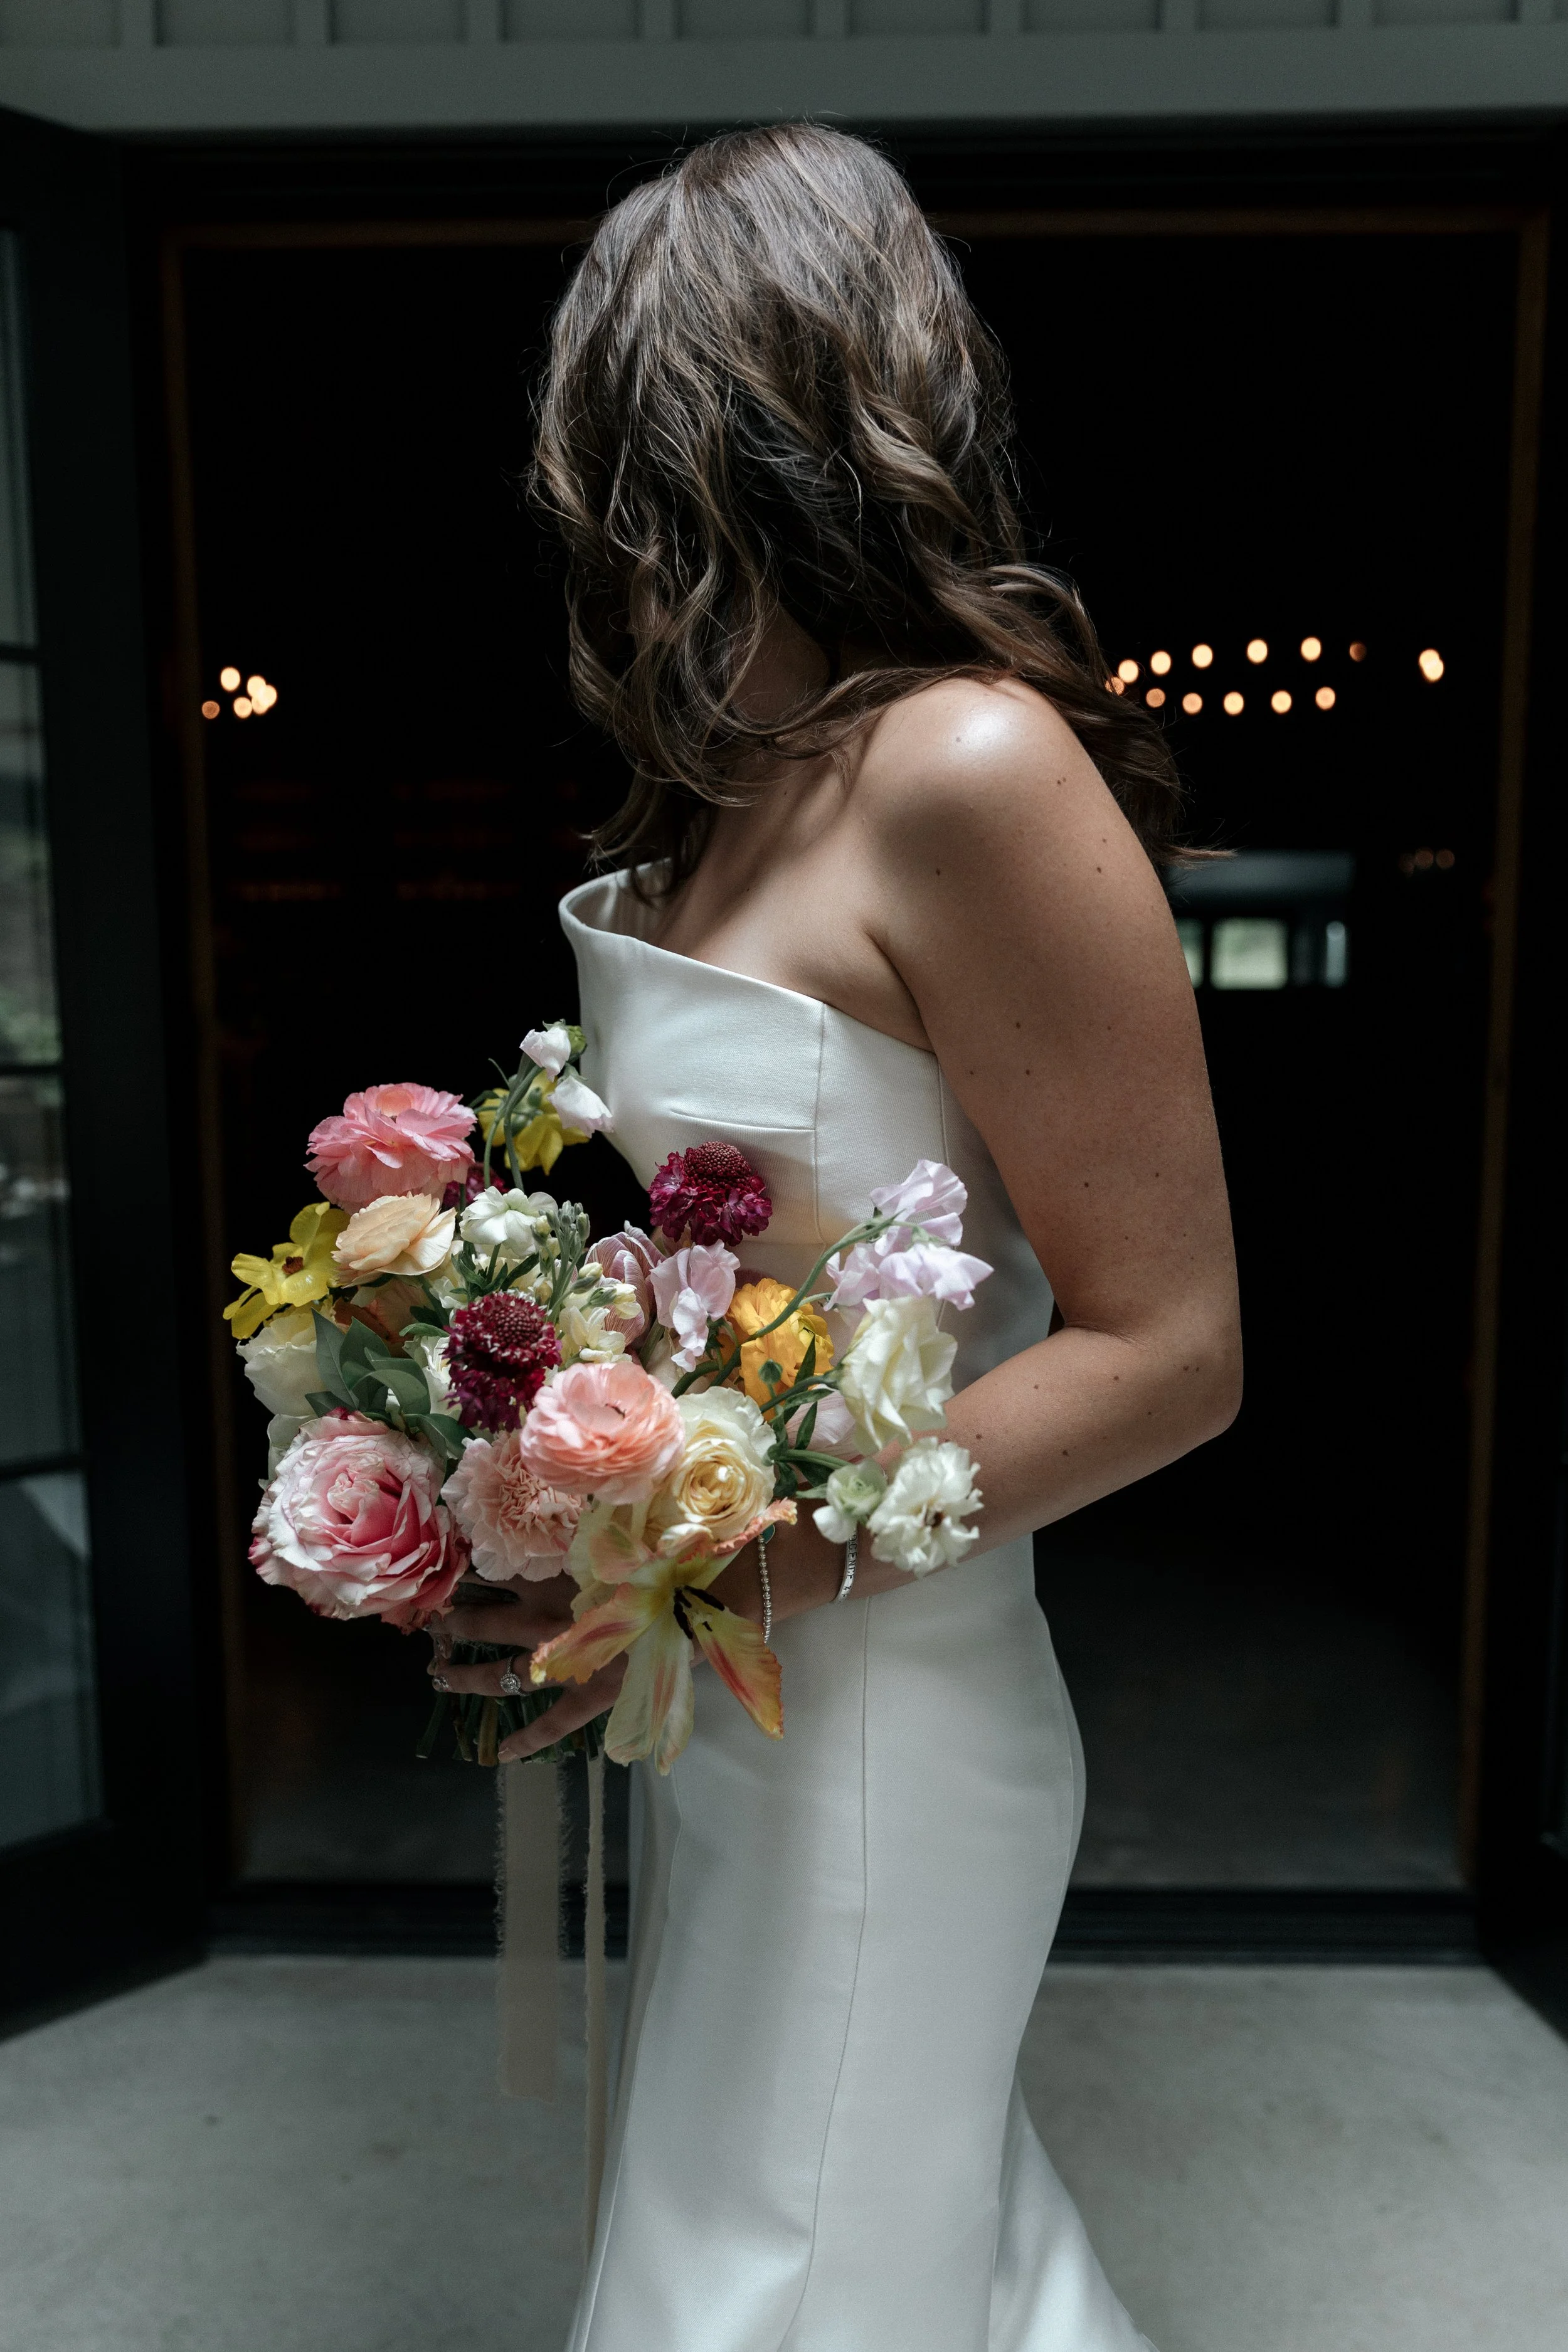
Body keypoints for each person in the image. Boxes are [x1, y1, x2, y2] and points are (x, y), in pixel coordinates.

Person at [436, 123, 1241, 2352]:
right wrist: (561, 1523)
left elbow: (1175, 1347)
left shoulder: (966, 768)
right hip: (739, 1705)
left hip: (887, 1711)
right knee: (889, 2250)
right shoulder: (715, 798)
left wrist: (726, 1563)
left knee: (782, 2278)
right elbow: (733, 1294)